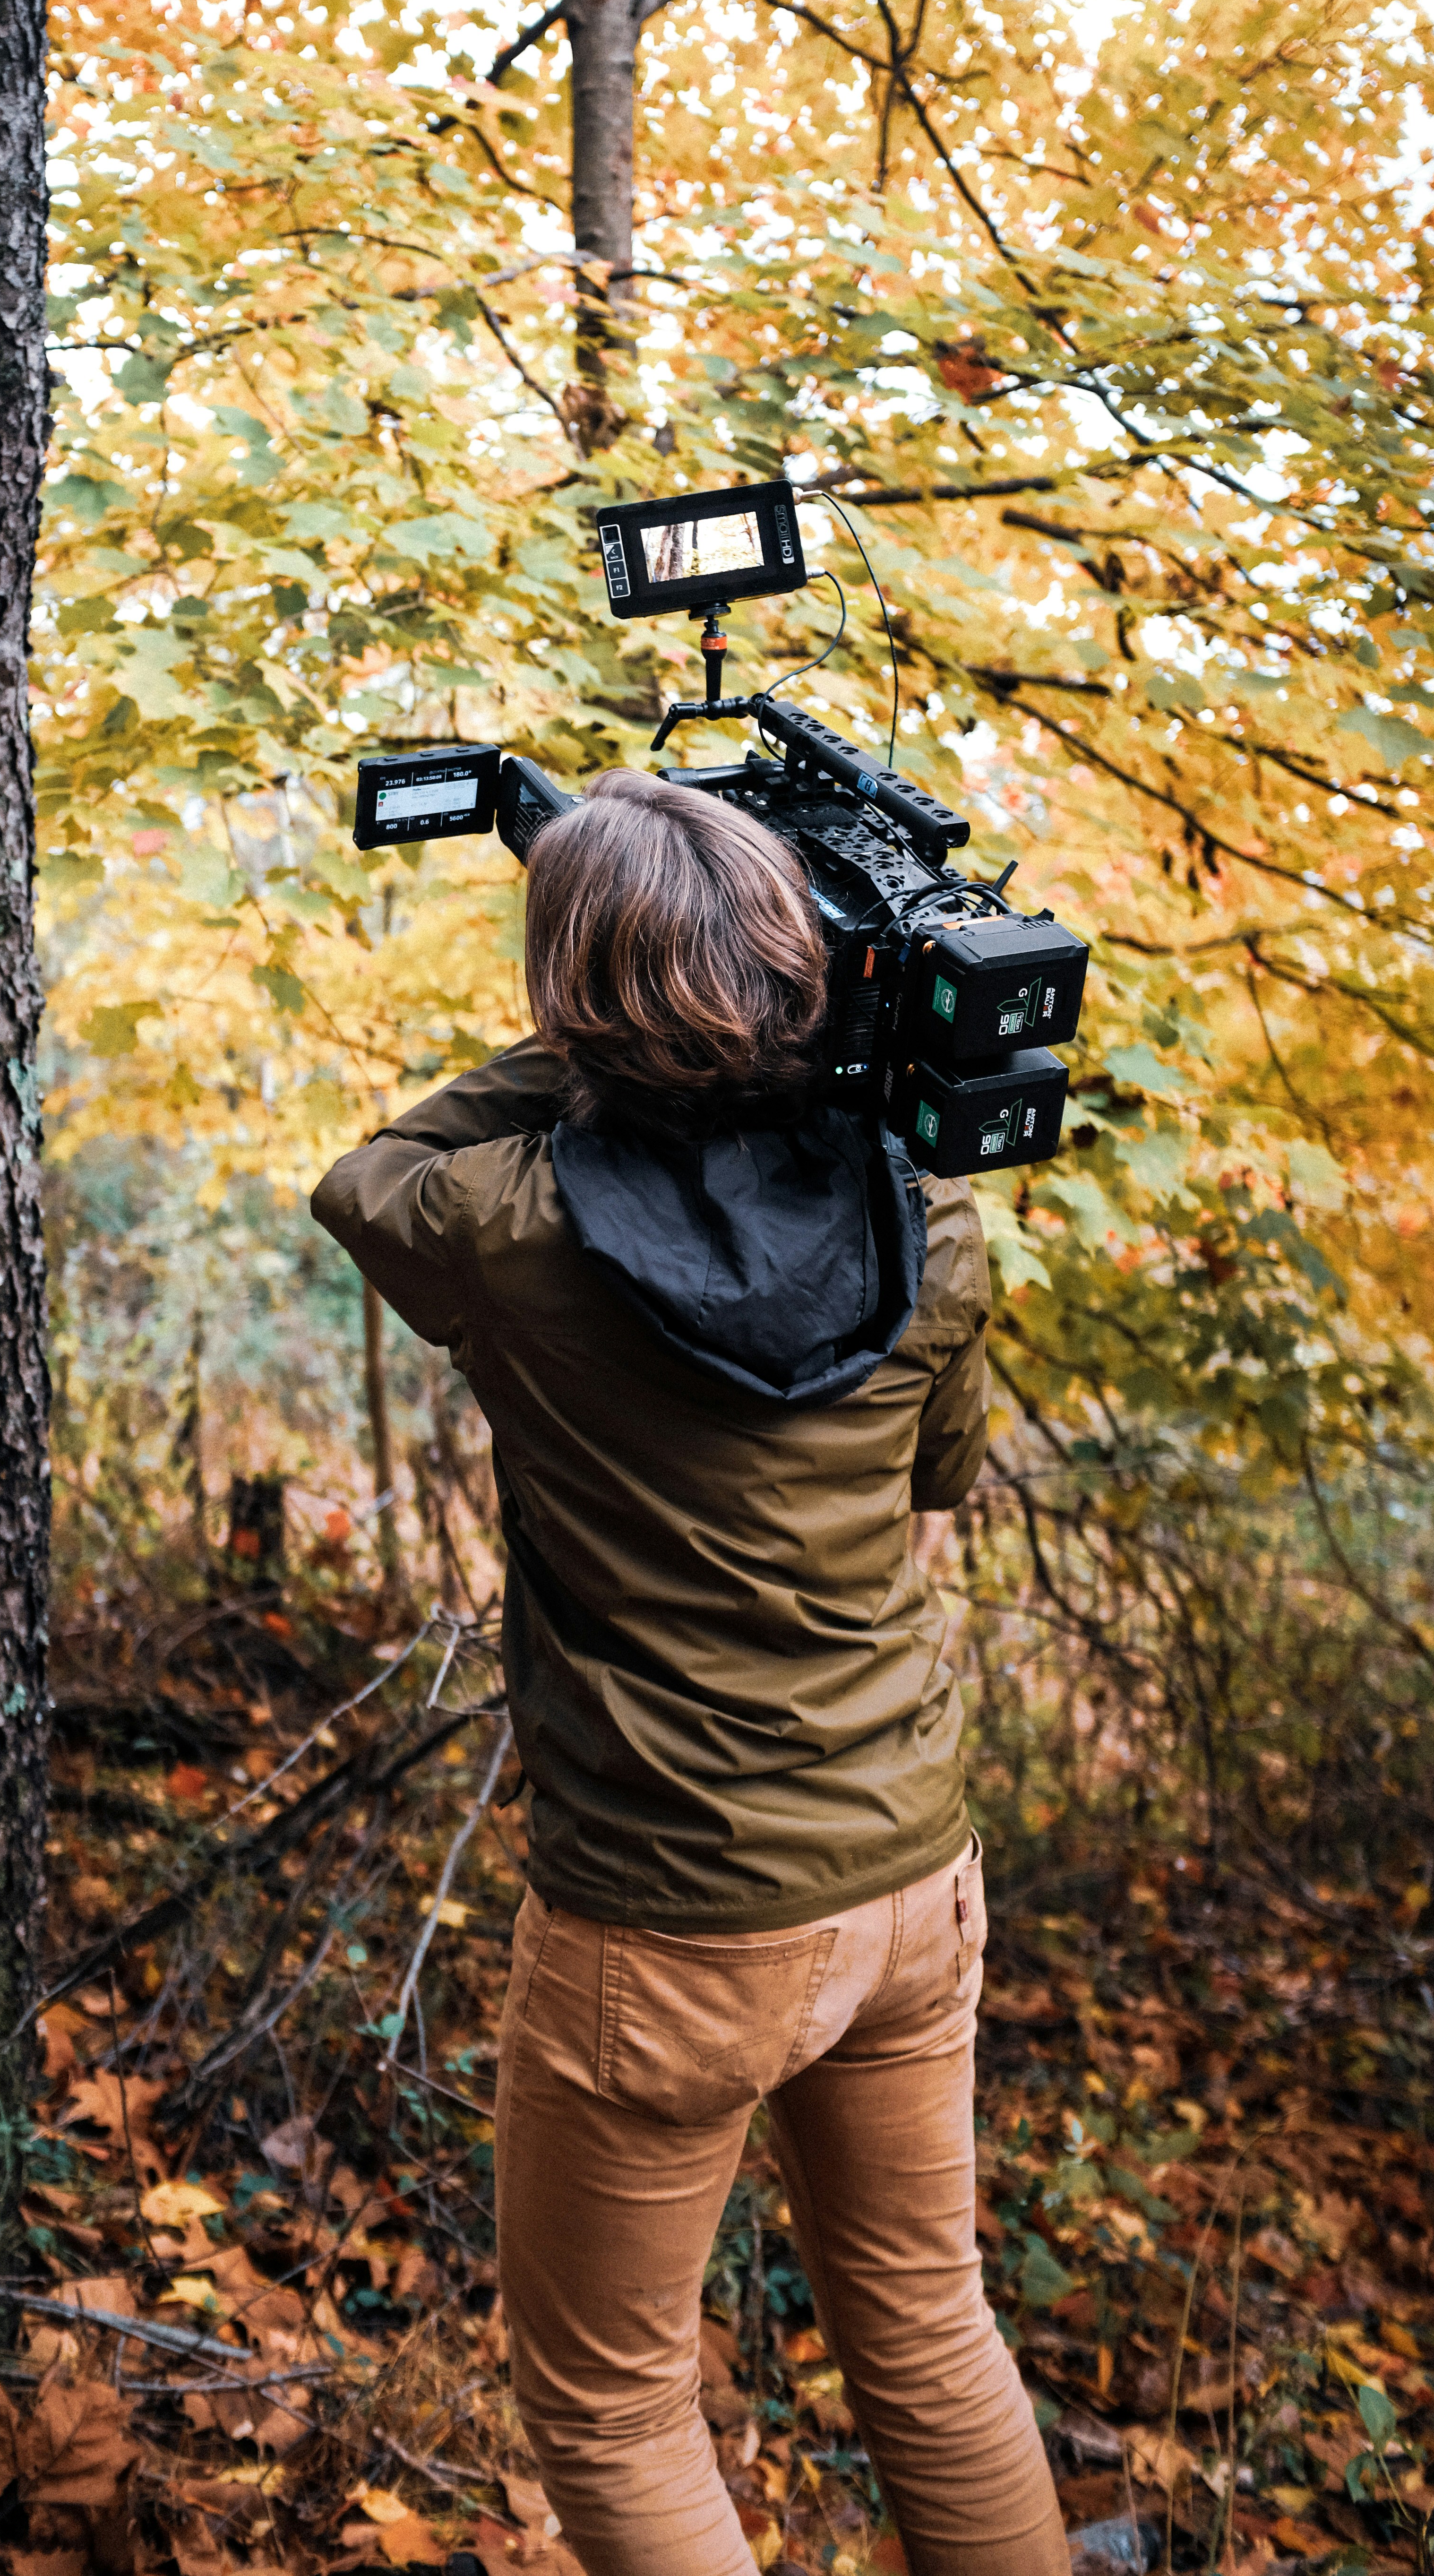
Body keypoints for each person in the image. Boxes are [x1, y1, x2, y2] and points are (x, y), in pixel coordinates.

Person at [311, 767, 1068, 2576]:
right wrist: (799, 1069)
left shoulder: (507, 1233)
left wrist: (591, 1048)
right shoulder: (925, 1220)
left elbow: (363, 1179)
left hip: (670, 1920)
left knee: (616, 2407)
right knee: (931, 2328)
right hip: (905, 1882)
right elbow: (943, 1478)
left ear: (578, 1010)